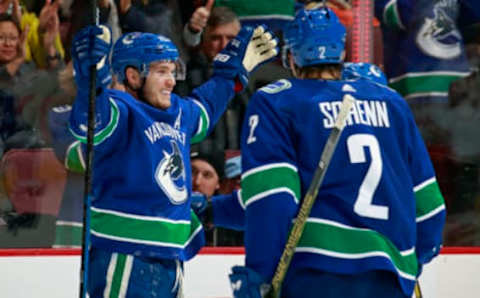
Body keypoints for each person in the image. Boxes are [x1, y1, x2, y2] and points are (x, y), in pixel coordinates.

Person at [230, 7, 446, 298]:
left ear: (291, 57)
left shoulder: (277, 101)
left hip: (316, 273)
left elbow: (273, 198)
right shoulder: (392, 103)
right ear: (342, 54)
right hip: (390, 277)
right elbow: (430, 207)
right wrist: (411, 265)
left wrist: (259, 273)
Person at [69, 21, 278, 297]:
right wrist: (90, 84)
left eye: (172, 71)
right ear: (132, 76)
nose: (171, 81)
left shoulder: (177, 112)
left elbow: (205, 106)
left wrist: (228, 77)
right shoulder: (121, 110)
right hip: (125, 253)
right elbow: (91, 122)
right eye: (161, 72)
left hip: (170, 258)